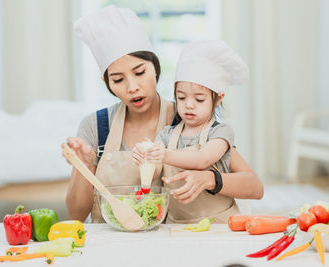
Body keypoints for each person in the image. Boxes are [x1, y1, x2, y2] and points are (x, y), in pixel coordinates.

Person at [62, 5, 263, 223]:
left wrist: (209, 178)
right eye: (118, 80)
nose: (132, 87)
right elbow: (76, 215)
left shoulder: (190, 119)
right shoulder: (97, 127)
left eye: (140, 72)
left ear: (155, 68)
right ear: (107, 83)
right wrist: (85, 164)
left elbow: (254, 185)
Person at [132, 40, 260, 223]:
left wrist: (163, 154)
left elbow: (203, 159)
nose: (189, 105)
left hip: (220, 225)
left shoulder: (220, 133)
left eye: (199, 99)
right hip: (177, 226)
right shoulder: (167, 135)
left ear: (217, 99)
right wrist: (146, 158)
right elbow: (155, 173)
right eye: (181, 98)